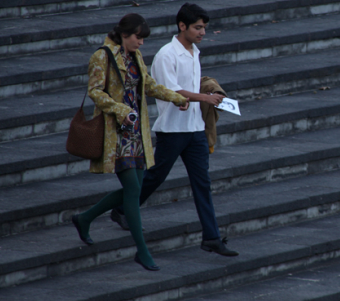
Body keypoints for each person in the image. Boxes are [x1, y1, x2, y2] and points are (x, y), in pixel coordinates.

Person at [110, 3, 238, 257]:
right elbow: (171, 91)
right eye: (198, 27)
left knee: (203, 183)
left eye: (204, 28)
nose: (202, 32)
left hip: (195, 130)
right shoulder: (166, 54)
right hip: (173, 130)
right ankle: (122, 209)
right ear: (182, 26)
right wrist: (204, 98)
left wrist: (207, 94)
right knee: (154, 177)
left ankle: (211, 237)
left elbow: (189, 85)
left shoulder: (194, 52)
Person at [71, 13, 189, 271]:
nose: (141, 43)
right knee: (134, 191)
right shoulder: (102, 56)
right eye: (138, 37)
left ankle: (85, 218)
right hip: (116, 133)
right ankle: (142, 250)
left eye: (143, 38)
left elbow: (149, 86)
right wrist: (119, 109)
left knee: (133, 189)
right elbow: (94, 92)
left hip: (135, 133)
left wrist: (176, 97)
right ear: (124, 35)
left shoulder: (135, 56)